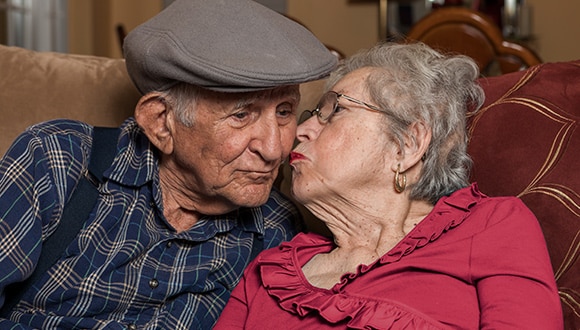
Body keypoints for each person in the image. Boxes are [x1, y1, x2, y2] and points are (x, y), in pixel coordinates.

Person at [0, 0, 337, 328]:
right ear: (161, 122)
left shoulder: (277, 228)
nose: (275, 149)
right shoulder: (58, 160)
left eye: (284, 112)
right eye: (241, 114)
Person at [214, 42, 563, 329]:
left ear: (407, 145)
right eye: (310, 115)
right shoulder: (271, 272)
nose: (300, 133)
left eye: (333, 111)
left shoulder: (491, 225)